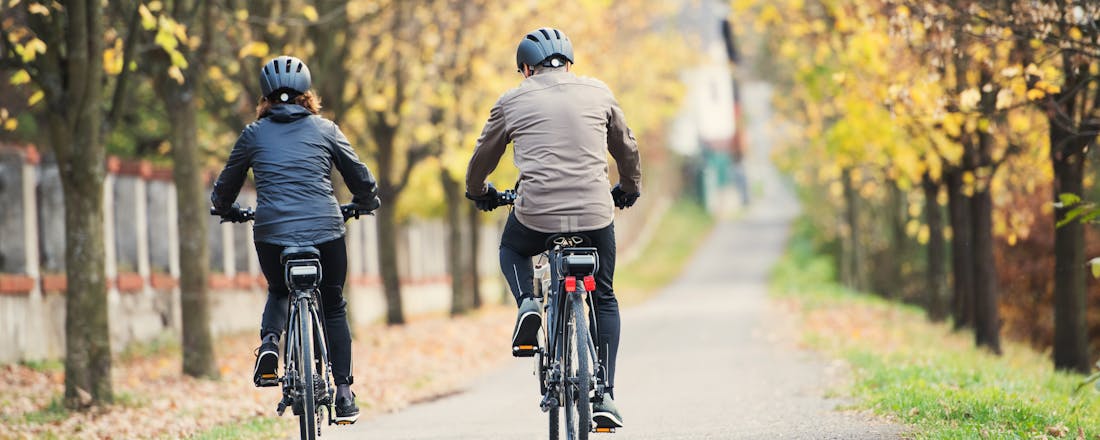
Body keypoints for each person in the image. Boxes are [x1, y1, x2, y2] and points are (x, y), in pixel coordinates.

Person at [464, 27, 641, 429]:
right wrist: (629, 188)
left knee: (512, 248)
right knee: (605, 297)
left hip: (537, 215)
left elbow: (483, 156)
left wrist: (479, 192)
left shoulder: (511, 100)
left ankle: (528, 302)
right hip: (595, 215)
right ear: (568, 64)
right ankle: (606, 394)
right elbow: (627, 147)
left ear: (526, 68)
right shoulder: (599, 92)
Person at [210, 55, 379, 424]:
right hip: (325, 231)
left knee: (278, 290)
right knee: (332, 305)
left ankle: (270, 344)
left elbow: (225, 186)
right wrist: (366, 201)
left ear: (265, 98)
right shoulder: (326, 130)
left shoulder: (252, 135)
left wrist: (225, 208)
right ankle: (344, 392)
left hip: (272, 233)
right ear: (308, 95)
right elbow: (360, 177)